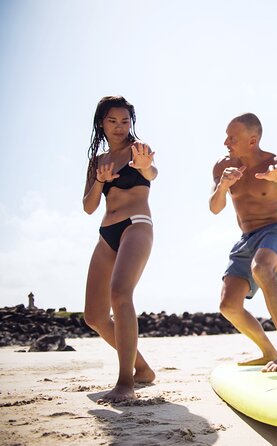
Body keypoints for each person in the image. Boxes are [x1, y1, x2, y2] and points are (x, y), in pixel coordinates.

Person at [210, 113, 277, 372]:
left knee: (262, 269)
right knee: (228, 306)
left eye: (232, 137)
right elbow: (215, 208)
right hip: (246, 239)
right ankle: (268, 351)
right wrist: (223, 186)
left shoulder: (274, 163)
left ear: (252, 140)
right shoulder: (222, 166)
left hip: (276, 231)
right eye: (227, 136)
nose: (226, 142)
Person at [82, 96, 157, 402]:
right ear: (102, 123)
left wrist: (145, 166)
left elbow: (152, 174)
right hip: (106, 233)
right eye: (112, 121)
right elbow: (88, 207)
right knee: (95, 316)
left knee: (120, 293)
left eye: (125, 121)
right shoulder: (97, 161)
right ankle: (142, 369)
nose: (119, 127)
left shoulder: (139, 150)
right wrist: (99, 181)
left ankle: (125, 383)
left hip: (136, 225)